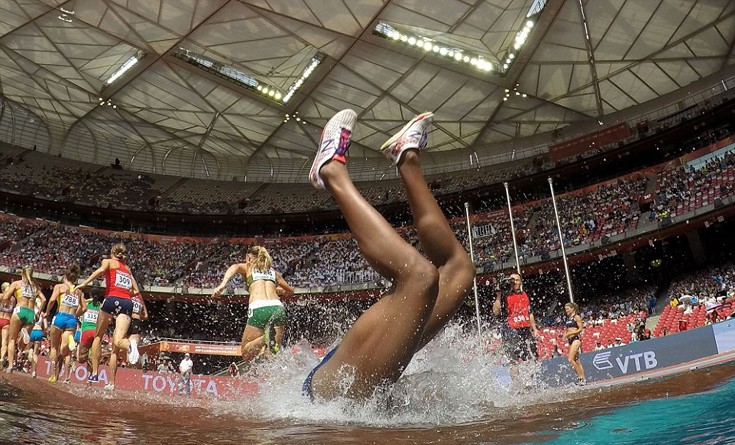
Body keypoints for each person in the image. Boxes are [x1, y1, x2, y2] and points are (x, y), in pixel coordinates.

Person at [302, 109, 475, 400]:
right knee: (426, 275)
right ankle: (332, 170)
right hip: (332, 390)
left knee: (458, 271)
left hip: (343, 378)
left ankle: (405, 159)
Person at [212, 245, 294, 362]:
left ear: (249, 257)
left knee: (246, 353)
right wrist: (276, 290)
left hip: (259, 307)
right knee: (273, 354)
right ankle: (267, 343)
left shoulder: (249, 267)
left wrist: (222, 284)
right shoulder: (274, 273)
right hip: (277, 307)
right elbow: (290, 291)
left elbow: (234, 267)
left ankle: (265, 337)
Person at [77, 243, 142, 383]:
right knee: (118, 340)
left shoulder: (107, 261)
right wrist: (125, 292)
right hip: (127, 303)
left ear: (112, 252)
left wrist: (85, 283)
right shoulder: (127, 268)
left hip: (111, 299)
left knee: (98, 336)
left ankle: (94, 373)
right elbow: (136, 291)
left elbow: (100, 271)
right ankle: (130, 345)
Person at [45, 264, 87, 383]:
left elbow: (52, 300)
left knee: (53, 347)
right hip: (71, 319)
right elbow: (84, 308)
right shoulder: (78, 291)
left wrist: (47, 312)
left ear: (65, 276)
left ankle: (53, 375)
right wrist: (75, 315)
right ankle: (67, 377)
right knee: (66, 351)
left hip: (60, 317)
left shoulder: (60, 287)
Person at [1, 266, 46, 373]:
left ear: (22, 274)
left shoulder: (16, 284)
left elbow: (6, 296)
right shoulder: (35, 286)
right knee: (23, 343)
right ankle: (23, 344)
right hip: (31, 313)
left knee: (11, 339)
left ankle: (10, 366)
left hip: (19, 310)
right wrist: (38, 312)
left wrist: (7, 301)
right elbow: (44, 300)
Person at [492, 273, 540, 364]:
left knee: (532, 359)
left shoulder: (525, 294)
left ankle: (530, 377)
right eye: (512, 280)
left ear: (520, 282)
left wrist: (534, 329)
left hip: (525, 330)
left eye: (517, 280)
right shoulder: (504, 295)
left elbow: (530, 313)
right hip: (510, 330)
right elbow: (496, 312)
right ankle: (515, 378)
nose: (515, 282)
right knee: (513, 361)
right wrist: (498, 294)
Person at [105, 293, 148, 391]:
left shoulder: (124, 294)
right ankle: (141, 359)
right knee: (131, 359)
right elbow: (145, 315)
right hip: (137, 322)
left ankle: (111, 383)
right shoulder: (139, 297)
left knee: (115, 352)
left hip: (124, 319)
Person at [564, 302, 585, 385]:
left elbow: (580, 329)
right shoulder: (568, 318)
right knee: (577, 361)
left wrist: (570, 334)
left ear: (572, 309)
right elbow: (568, 329)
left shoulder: (576, 317)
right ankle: (583, 379)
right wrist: (566, 334)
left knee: (570, 359)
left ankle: (580, 378)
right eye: (565, 309)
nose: (566, 311)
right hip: (570, 340)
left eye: (567, 309)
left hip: (576, 339)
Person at [0, 282, 15, 369]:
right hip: (7, 321)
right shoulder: (13, 299)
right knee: (4, 342)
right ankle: (2, 358)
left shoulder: (1, 296)